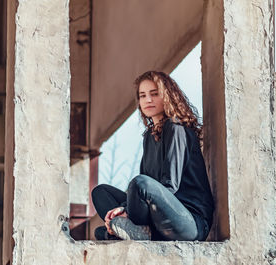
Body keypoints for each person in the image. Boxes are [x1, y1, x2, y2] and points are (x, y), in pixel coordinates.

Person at [92, 71, 214, 241]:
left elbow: (169, 186)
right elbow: (140, 193)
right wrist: (123, 208)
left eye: (154, 94)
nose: (148, 100)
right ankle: (135, 231)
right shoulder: (149, 137)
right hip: (159, 223)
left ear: (168, 96)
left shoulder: (176, 128)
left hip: (189, 223)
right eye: (143, 96)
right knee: (101, 192)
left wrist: (125, 210)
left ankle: (126, 231)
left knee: (139, 182)